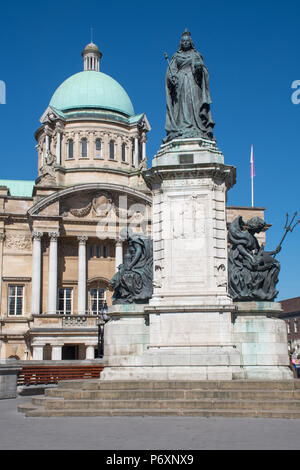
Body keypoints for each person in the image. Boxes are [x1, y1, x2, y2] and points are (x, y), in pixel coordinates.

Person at [164, 29, 215, 143]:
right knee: (181, 107)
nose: (185, 42)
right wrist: (172, 78)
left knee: (194, 105)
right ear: (181, 43)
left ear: (190, 42)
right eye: (183, 41)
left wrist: (199, 69)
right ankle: (181, 128)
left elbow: (204, 71)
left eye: (187, 41)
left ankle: (196, 128)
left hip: (193, 82)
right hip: (180, 83)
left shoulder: (196, 55)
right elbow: (170, 72)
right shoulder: (176, 56)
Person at [228, 216, 281, 301]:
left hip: (250, 261)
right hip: (242, 263)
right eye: (259, 228)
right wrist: (250, 257)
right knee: (256, 272)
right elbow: (240, 248)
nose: (260, 231)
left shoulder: (254, 239)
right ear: (255, 226)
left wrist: (274, 252)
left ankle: (267, 291)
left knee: (274, 266)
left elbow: (260, 253)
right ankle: (257, 291)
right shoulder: (245, 235)